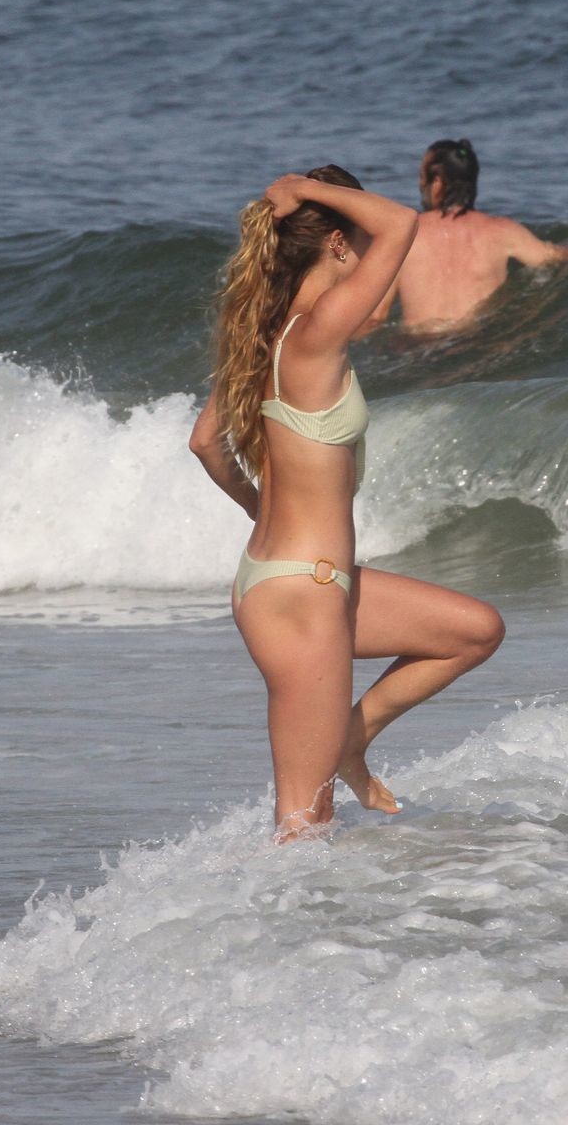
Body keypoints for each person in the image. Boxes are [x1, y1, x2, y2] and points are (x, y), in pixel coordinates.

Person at [189, 165, 506, 841]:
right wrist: (304, 188)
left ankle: (352, 740)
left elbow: (205, 443)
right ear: (338, 243)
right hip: (302, 596)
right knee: (306, 823)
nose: (369, 255)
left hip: (297, 582)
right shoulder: (316, 330)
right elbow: (403, 222)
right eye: (356, 240)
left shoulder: (264, 335)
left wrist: (256, 508)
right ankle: (261, 911)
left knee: (474, 630)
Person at [363, 139, 568, 334]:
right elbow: (556, 257)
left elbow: (376, 315)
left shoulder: (404, 233)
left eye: (421, 176)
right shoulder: (502, 230)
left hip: (420, 347)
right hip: (480, 339)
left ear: (437, 182)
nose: (420, 185)